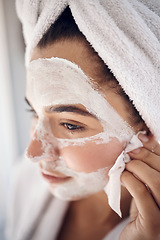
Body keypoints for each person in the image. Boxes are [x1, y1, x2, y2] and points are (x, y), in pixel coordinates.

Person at [6, 1, 160, 240]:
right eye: (34, 112)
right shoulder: (23, 182)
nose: (32, 153)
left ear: (149, 127)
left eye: (70, 125)